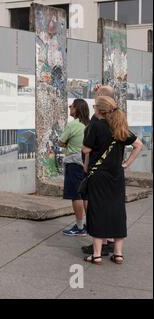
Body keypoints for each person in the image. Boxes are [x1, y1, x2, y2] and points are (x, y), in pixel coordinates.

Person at [82, 96, 143, 265]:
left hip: (98, 176)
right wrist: (126, 163)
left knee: (97, 211)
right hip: (116, 175)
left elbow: (86, 149)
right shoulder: (120, 127)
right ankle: (118, 253)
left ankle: (97, 255)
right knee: (117, 211)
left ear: (99, 110)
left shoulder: (95, 126)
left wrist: (86, 166)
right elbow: (138, 145)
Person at [81, 85, 117, 256]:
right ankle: (109, 241)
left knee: (96, 207)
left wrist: (86, 165)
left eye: (97, 95)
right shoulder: (116, 117)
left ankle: (100, 244)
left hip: (96, 170)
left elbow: (88, 147)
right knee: (109, 205)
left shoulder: (98, 120)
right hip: (112, 170)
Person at [58, 99, 90, 236]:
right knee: (87, 195)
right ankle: (92, 225)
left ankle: (79, 227)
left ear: (76, 109)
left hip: (74, 162)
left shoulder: (73, 125)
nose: (70, 108)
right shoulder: (90, 124)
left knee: (76, 195)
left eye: (71, 106)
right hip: (88, 161)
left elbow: (60, 141)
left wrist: (68, 144)